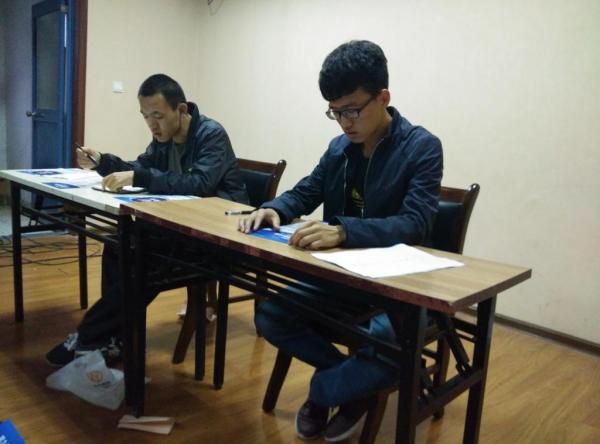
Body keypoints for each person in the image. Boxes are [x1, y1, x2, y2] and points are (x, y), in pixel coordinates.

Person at [239, 40, 443, 442]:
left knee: (390, 339)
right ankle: (354, 386)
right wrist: (274, 208)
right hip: (342, 279)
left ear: (383, 98)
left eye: (351, 110)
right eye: (334, 111)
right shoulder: (339, 149)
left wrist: (344, 231)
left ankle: (326, 390)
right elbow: (306, 191)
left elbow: (415, 223)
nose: (343, 122)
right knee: (271, 314)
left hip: (397, 288)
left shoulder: (421, 147)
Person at [46, 74, 248, 367]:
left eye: (158, 116)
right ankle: (116, 338)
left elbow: (199, 183)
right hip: (182, 227)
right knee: (117, 245)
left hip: (217, 233)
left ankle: (89, 335)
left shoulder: (210, 134)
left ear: (181, 110)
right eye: (145, 116)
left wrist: (139, 176)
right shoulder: (162, 139)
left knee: (144, 258)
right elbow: (140, 167)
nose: (152, 124)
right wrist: (103, 161)